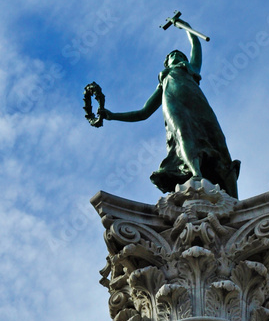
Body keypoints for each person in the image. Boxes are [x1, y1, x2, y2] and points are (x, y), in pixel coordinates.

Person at [102, 20, 240, 197]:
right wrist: (113, 115)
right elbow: (143, 112)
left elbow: (196, 45)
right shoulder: (164, 81)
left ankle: (230, 188)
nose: (176, 55)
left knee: (218, 140)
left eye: (180, 54)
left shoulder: (190, 69)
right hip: (175, 105)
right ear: (166, 63)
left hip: (199, 106)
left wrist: (185, 25)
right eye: (172, 55)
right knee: (183, 133)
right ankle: (196, 174)